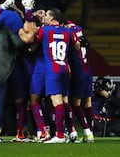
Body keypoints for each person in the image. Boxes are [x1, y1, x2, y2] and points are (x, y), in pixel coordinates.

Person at [34, 8, 75, 143]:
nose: (44, 18)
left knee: (56, 103)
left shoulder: (45, 30)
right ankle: (70, 131)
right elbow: (77, 45)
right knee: (64, 101)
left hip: (52, 70)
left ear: (52, 19)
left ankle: (60, 136)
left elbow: (34, 41)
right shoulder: (68, 32)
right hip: (65, 68)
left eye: (46, 16)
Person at [66, 20, 94, 143]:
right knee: (87, 103)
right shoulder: (77, 28)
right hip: (87, 69)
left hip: (78, 71)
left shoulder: (68, 32)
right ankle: (91, 134)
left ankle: (87, 131)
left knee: (75, 103)